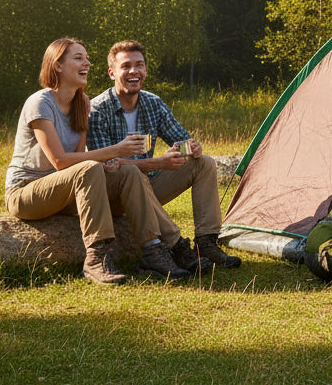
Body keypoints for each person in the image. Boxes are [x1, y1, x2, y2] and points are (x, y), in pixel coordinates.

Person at [5, 38, 194, 285]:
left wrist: (110, 165)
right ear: (58, 65)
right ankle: (96, 257)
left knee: (128, 173)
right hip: (27, 191)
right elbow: (61, 161)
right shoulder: (40, 102)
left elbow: (80, 158)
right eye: (78, 58)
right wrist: (114, 151)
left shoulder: (82, 103)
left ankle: (152, 250)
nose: (87, 63)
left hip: (65, 191)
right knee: (92, 167)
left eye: (87, 58)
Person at [88, 40, 240, 271]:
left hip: (148, 185)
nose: (133, 71)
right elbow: (110, 166)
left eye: (139, 65)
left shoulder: (152, 103)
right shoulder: (97, 109)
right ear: (112, 73)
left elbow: (181, 139)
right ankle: (177, 246)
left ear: (145, 71)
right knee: (131, 174)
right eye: (126, 66)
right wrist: (159, 162)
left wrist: (192, 147)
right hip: (116, 196)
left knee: (204, 163)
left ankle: (206, 242)